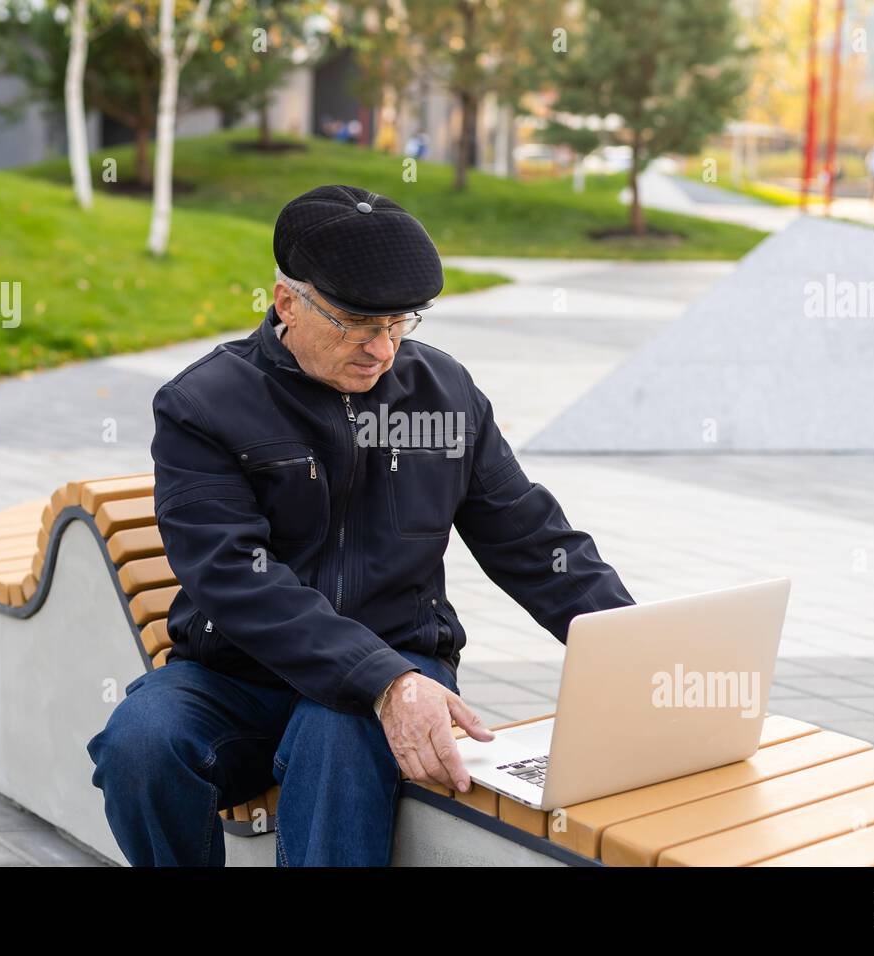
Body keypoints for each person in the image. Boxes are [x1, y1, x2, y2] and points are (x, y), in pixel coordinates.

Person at [87, 185, 635, 866]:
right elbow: (233, 578)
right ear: (287, 301)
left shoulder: (446, 394)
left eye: (400, 322)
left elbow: (531, 540)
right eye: (356, 322)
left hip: (402, 656)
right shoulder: (204, 406)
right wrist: (378, 677)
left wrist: (634, 653)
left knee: (339, 736)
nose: (382, 348)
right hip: (239, 679)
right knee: (140, 743)